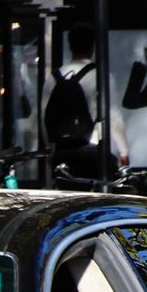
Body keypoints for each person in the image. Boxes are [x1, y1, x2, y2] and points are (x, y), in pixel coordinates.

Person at [43, 26, 99, 179]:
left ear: (69, 46)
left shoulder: (53, 78)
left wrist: (51, 150)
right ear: (93, 46)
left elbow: (45, 117)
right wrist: (123, 151)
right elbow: (112, 116)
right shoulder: (99, 75)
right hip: (92, 147)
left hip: (62, 150)